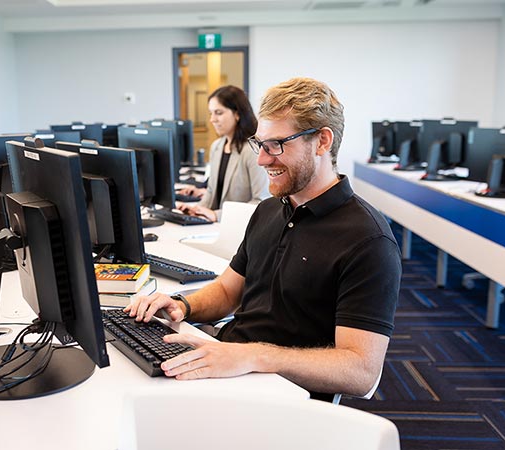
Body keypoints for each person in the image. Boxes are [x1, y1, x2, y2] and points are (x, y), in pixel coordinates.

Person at [126, 77, 402, 401]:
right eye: (260, 144)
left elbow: (360, 371)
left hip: (279, 395)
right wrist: (182, 306)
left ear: (322, 141)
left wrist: (253, 356)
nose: (261, 159)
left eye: (276, 145)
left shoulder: (368, 240)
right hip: (231, 364)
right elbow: (229, 290)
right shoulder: (270, 210)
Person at [177, 85, 269, 222]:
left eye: (218, 113)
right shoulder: (217, 147)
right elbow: (211, 192)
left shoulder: (253, 150)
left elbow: (261, 202)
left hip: (240, 228)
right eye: (211, 113)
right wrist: (196, 210)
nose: (212, 119)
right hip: (217, 227)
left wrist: (217, 215)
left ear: (237, 114)